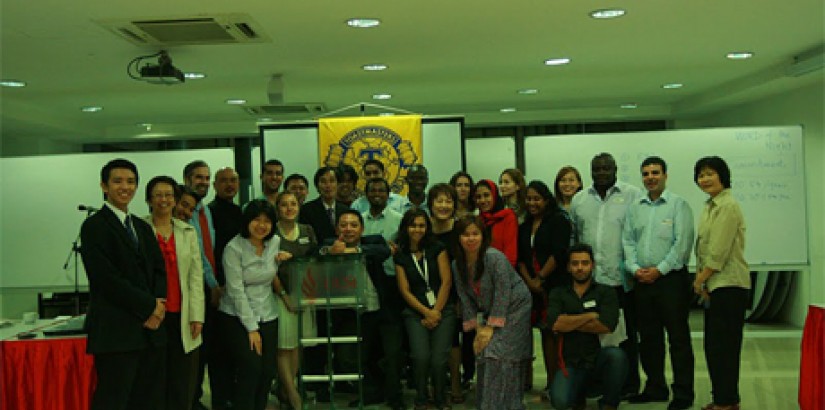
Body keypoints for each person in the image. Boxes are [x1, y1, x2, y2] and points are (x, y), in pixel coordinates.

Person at [80, 159, 167, 410]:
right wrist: (148, 306)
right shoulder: (94, 226)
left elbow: (159, 270)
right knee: (114, 399)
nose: (125, 187)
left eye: (131, 182)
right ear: (104, 186)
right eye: (117, 181)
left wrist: (158, 306)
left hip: (151, 331)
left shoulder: (141, 225)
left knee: (148, 399)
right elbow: (106, 280)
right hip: (116, 331)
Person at [622, 156, 695, 410]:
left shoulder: (678, 205)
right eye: (646, 173)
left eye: (655, 172)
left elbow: (682, 244)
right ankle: (655, 388)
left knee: (678, 339)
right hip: (642, 281)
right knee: (649, 339)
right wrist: (634, 268)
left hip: (671, 281)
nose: (650, 177)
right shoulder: (635, 208)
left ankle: (683, 393)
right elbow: (628, 242)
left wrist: (660, 270)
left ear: (665, 175)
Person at [570, 153, 642, 398]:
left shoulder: (632, 195)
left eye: (606, 168)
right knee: (591, 337)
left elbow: (637, 235)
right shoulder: (579, 200)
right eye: (596, 168)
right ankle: (596, 385)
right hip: (590, 283)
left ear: (615, 169)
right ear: (590, 171)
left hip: (620, 281)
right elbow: (575, 239)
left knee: (624, 337)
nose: (601, 172)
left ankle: (628, 386)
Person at [320, 210, 405, 410]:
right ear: (337, 228)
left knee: (393, 353)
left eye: (353, 225)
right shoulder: (330, 244)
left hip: (383, 310)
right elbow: (316, 252)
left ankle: (395, 396)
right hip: (353, 313)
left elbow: (383, 251)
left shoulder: (373, 241)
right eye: (343, 225)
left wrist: (352, 251)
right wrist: (331, 252)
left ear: (362, 229)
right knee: (347, 357)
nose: (348, 229)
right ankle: (372, 392)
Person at [452, 216, 532, 410]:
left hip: (516, 307)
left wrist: (490, 327)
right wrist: (477, 328)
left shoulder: (494, 257)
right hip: (493, 312)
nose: (471, 239)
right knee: (484, 351)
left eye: (475, 234)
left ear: (483, 236)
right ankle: (488, 404)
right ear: (458, 238)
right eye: (465, 235)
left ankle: (509, 405)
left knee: (499, 354)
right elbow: (465, 297)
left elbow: (503, 291)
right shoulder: (457, 264)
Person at [693, 156, 750, 410]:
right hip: (716, 284)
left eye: (709, 174)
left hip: (729, 284)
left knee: (724, 347)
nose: (704, 179)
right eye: (700, 175)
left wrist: (700, 279)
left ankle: (727, 402)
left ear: (722, 176)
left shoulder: (727, 205)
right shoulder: (711, 206)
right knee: (715, 347)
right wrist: (704, 282)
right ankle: (724, 399)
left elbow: (718, 251)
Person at [144, 176, 205, 410]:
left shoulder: (186, 231)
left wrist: (197, 315)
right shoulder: (140, 228)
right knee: (154, 378)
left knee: (183, 379)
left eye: (169, 195)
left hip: (183, 313)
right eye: (158, 195)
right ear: (149, 199)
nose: (164, 199)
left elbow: (195, 277)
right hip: (152, 315)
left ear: (176, 200)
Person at [217, 199, 283, 410]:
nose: (261, 225)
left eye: (267, 221)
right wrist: (252, 328)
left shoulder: (275, 243)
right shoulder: (233, 248)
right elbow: (236, 291)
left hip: (268, 312)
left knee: (267, 370)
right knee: (250, 368)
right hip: (236, 315)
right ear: (247, 221)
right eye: (256, 220)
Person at [546, 244, 627, 410]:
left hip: (598, 359)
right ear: (568, 267)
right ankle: (577, 397)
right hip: (570, 363)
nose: (580, 268)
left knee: (617, 356)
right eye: (575, 264)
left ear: (592, 265)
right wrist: (590, 316)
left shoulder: (606, 292)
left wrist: (569, 322)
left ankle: (608, 404)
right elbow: (555, 323)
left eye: (585, 263)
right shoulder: (558, 293)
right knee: (560, 402)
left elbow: (606, 325)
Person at [394, 209, 456, 410]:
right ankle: (421, 398)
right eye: (413, 225)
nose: (417, 229)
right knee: (421, 357)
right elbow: (404, 290)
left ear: (427, 228)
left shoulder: (437, 248)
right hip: (415, 313)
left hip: (443, 310)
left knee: (439, 360)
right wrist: (425, 312)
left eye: (421, 225)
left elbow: (446, 282)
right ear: (406, 228)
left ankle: (440, 397)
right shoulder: (401, 255)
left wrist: (436, 311)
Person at [517, 180, 572, 393]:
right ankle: (543, 383)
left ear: (546, 200)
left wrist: (540, 278)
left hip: (554, 286)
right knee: (539, 333)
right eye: (529, 199)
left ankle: (556, 384)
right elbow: (520, 258)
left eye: (537, 199)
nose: (532, 203)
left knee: (554, 333)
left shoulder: (558, 221)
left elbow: (559, 253)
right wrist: (530, 282)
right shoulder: (524, 226)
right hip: (530, 287)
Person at [183, 160, 225, 410]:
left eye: (207, 178)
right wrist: (213, 285)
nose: (204, 183)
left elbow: (209, 251)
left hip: (208, 285)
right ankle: (190, 400)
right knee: (193, 349)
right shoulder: (185, 211)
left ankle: (196, 397)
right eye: (199, 178)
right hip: (193, 288)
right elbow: (197, 253)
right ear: (187, 179)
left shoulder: (205, 211)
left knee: (206, 348)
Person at [272, 192, 318, 410]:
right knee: (283, 346)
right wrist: (284, 296)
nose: (289, 208)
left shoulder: (308, 230)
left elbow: (316, 262)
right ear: (277, 208)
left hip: (305, 295)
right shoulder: (271, 233)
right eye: (284, 205)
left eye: (293, 204)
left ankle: (286, 390)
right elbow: (267, 269)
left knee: (296, 346)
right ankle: (293, 395)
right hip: (280, 296)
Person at [426, 183, 467, 403]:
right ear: (430, 204)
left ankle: (455, 385)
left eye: (448, 201)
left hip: (455, 293)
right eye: (439, 201)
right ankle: (435, 383)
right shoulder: (422, 228)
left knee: (452, 341)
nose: (443, 205)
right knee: (431, 341)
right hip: (426, 293)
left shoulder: (460, 228)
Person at [475, 179, 519, 267]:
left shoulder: (508, 216)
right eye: (478, 197)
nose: (482, 200)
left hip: (503, 271)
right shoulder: (478, 220)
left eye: (486, 195)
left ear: (494, 195)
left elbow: (511, 254)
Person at [299, 166, 349, 242]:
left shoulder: (346, 210)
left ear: (338, 184)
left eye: (332, 181)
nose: (328, 185)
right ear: (317, 186)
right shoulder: (307, 210)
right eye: (323, 182)